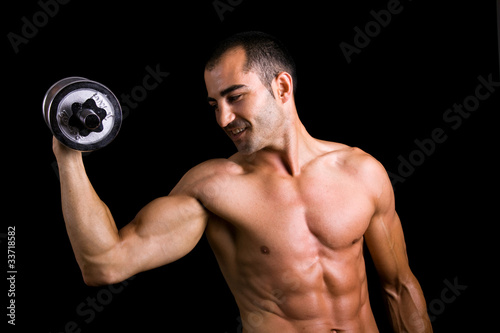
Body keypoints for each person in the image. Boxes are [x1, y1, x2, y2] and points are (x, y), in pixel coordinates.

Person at [52, 31, 433, 332]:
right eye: (214, 104)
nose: (222, 118)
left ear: (282, 88)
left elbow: (399, 287)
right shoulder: (216, 187)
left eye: (234, 97)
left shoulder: (362, 172)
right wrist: (69, 154)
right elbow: (104, 264)